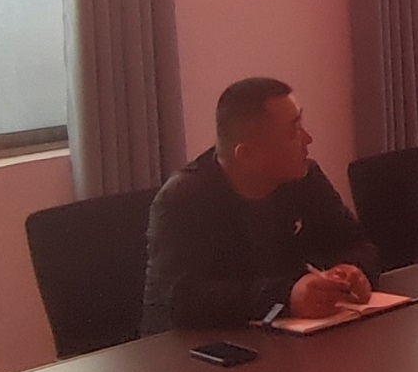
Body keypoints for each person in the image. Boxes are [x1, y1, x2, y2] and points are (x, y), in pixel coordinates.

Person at [143, 77, 379, 334]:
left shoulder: (305, 179)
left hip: (289, 338)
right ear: (247, 154)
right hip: (191, 350)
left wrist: (351, 271)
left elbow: (358, 243)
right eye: (293, 131)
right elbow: (184, 300)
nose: (308, 139)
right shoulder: (184, 198)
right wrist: (286, 296)